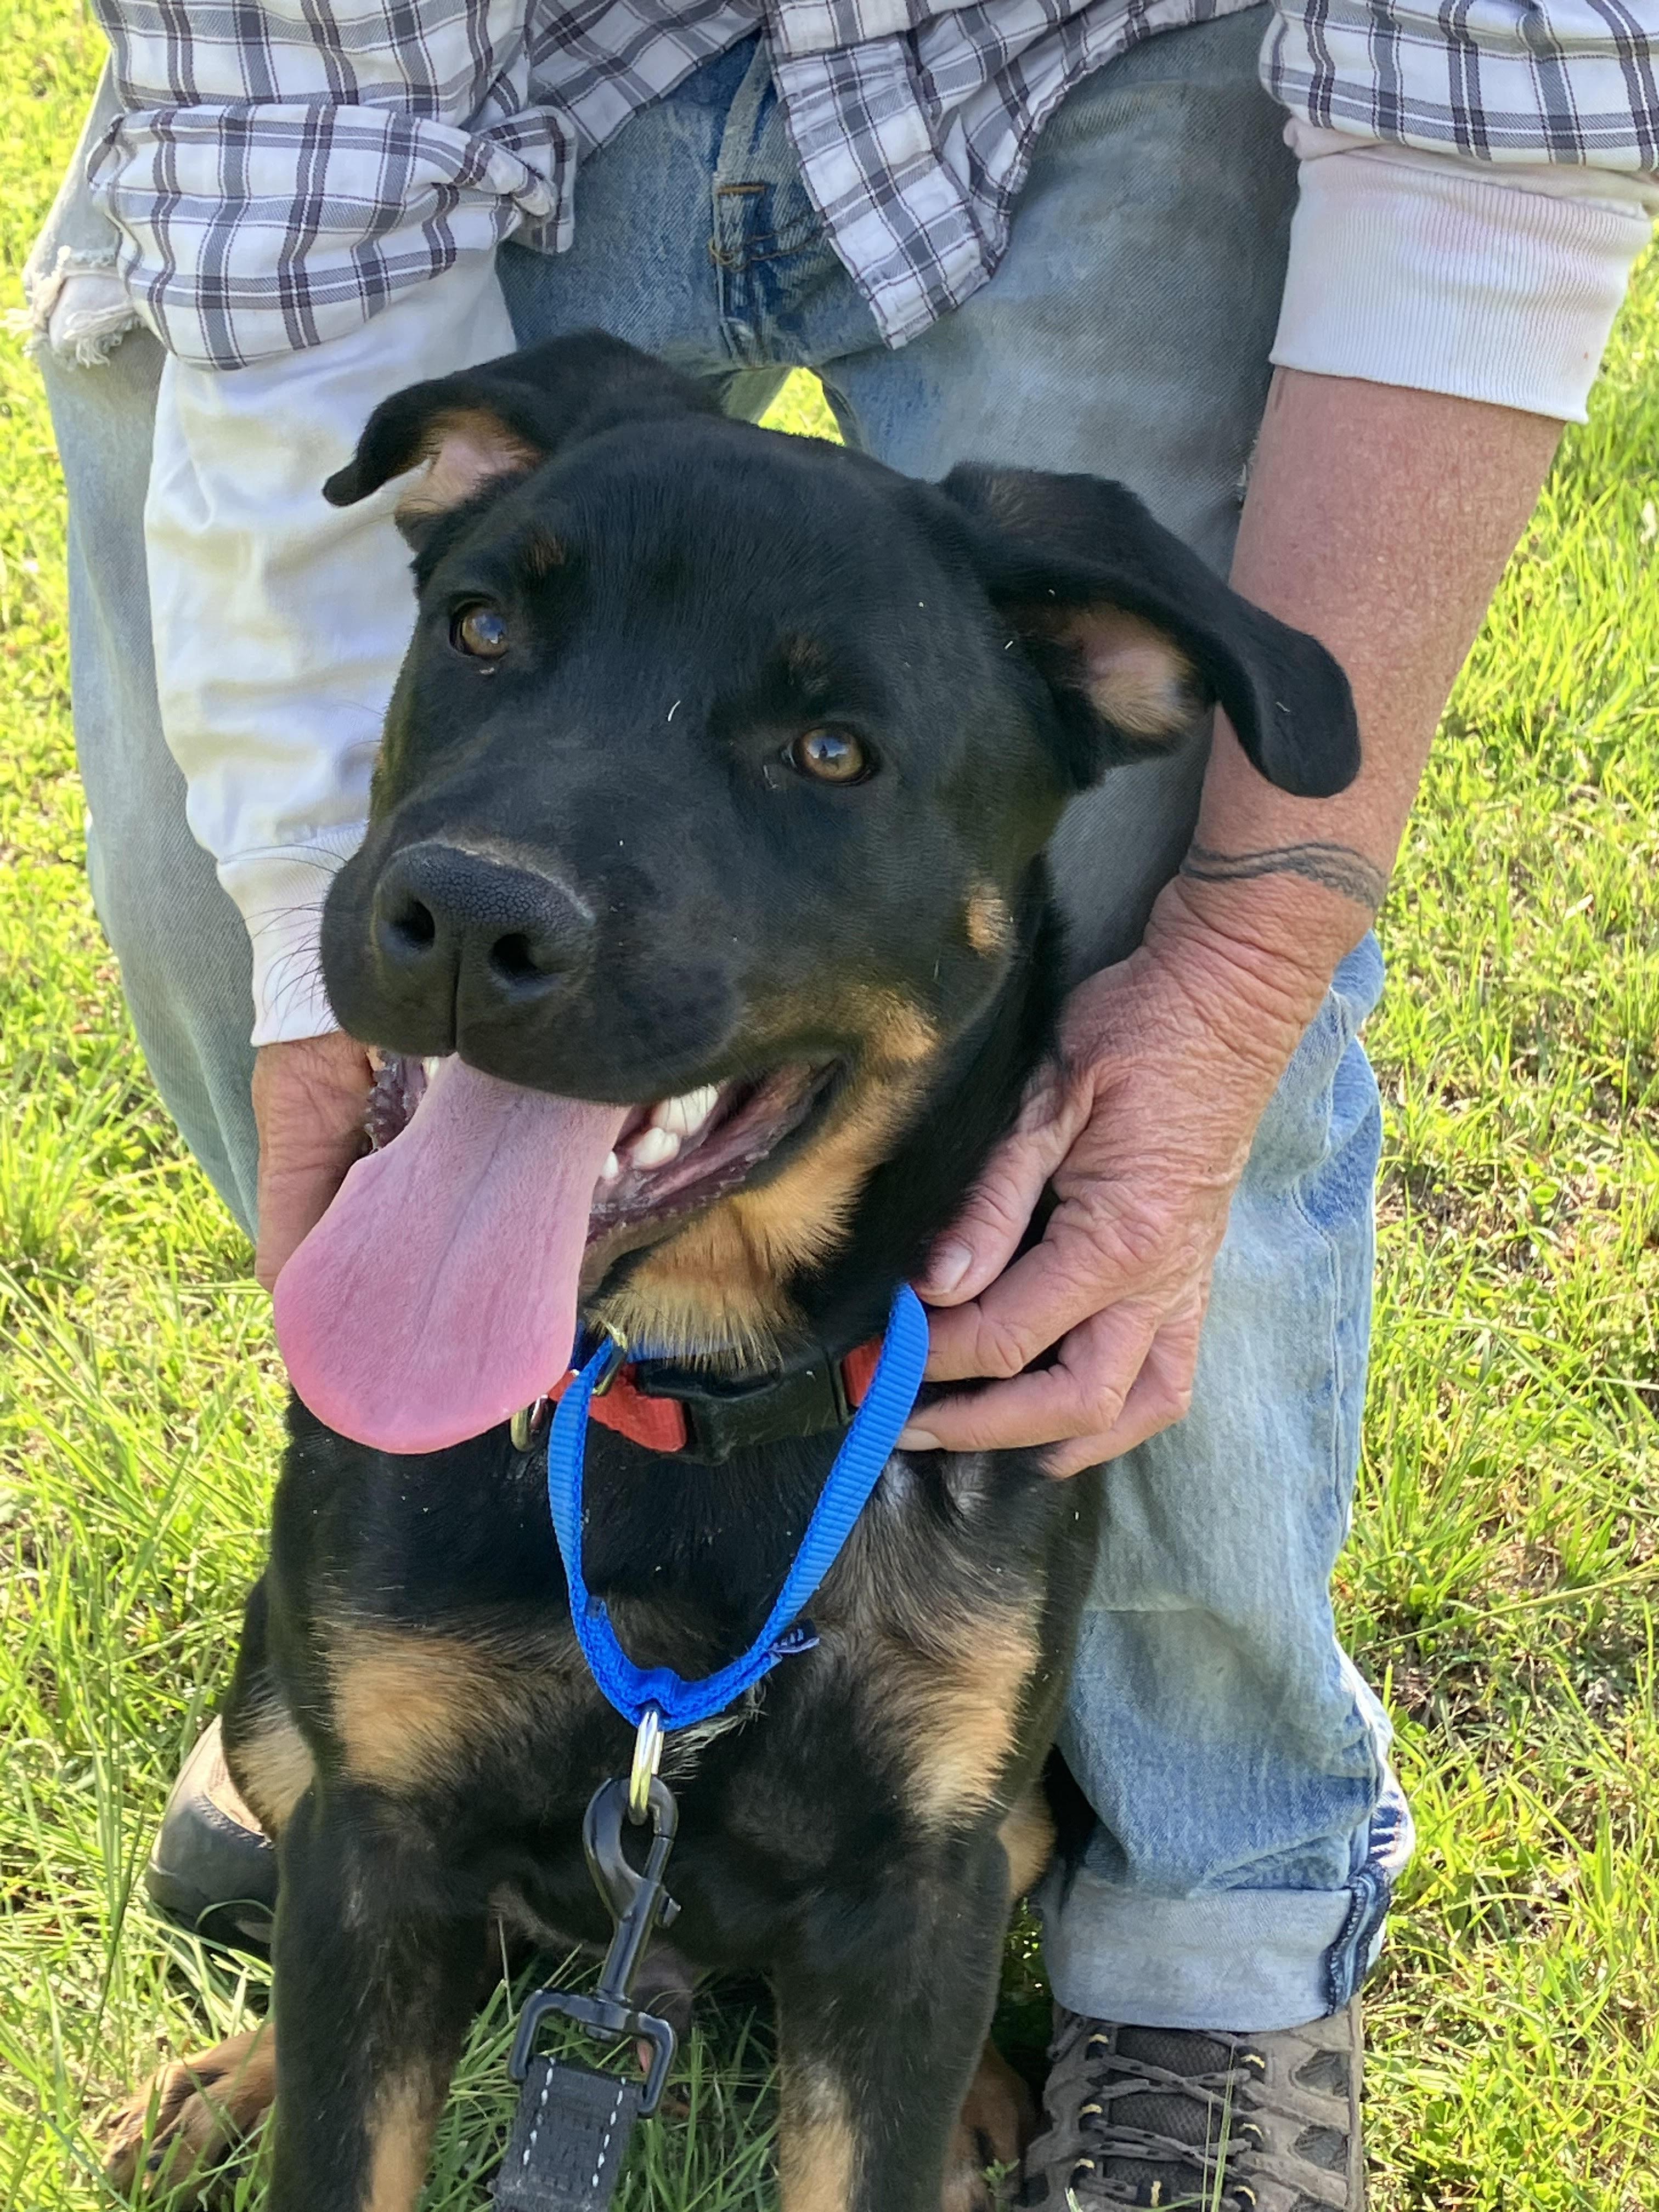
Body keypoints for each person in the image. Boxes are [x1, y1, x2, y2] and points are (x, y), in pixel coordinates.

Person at [26, 0, 1657, 2197]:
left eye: (828, 755)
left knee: (1160, 1153)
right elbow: (287, 144)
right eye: (501, 619)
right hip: (464, 72)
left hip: (1112, 45)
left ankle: (1212, 1941)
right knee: (226, 941)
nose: (520, 887)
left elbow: (1512, 111)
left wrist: (1261, 930)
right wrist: (305, 912)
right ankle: (368, 1722)